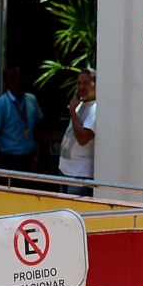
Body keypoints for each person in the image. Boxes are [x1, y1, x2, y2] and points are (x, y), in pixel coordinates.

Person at [0, 64, 43, 179]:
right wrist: (0, 168)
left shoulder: (31, 99)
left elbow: (38, 129)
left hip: (29, 158)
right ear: (11, 80)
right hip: (9, 160)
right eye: (20, 76)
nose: (24, 79)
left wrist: (38, 154)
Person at [58, 69, 96, 197]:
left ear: (96, 85)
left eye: (86, 83)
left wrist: (72, 111)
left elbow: (83, 139)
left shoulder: (95, 109)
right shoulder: (80, 105)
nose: (81, 87)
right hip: (65, 172)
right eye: (79, 83)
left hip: (79, 176)